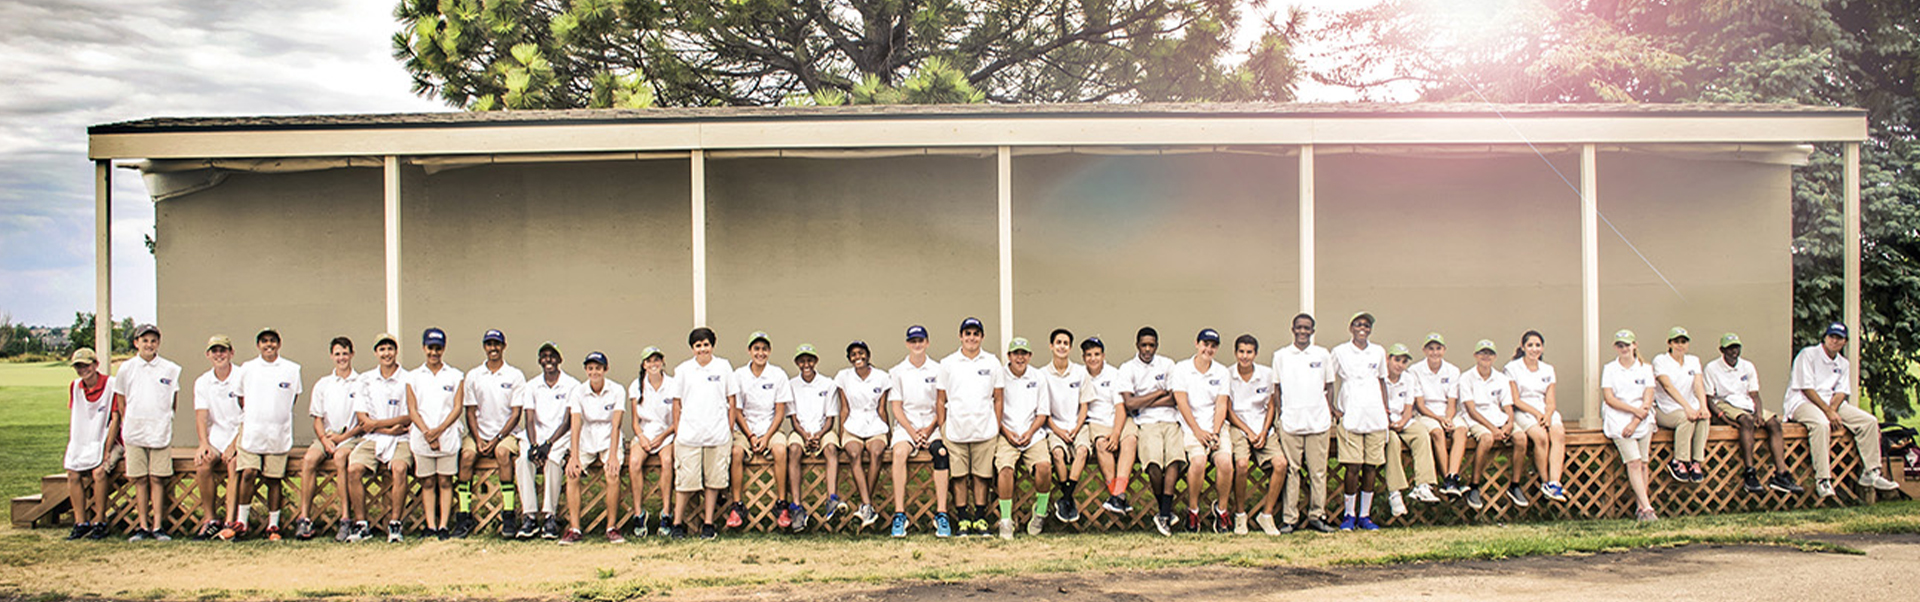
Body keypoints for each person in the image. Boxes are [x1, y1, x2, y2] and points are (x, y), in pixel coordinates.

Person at [1784, 322, 1901, 497]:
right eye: (1831, 337)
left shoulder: (1843, 363)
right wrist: (1828, 412)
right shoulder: (1808, 355)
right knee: (1822, 424)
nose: (1834, 341)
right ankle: (1823, 479)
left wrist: (1832, 409)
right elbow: (1807, 389)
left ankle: (1871, 472)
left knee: (1869, 422)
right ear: (1825, 337)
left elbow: (1841, 392)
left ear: (1845, 342)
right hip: (1802, 402)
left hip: (1831, 404)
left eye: (1839, 338)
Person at [221, 328, 303, 541]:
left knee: (273, 479)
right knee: (248, 473)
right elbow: (241, 398)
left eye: (273, 341)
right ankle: (241, 522)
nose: (269, 345)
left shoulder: (292, 369)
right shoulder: (247, 368)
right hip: (252, 433)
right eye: (264, 341)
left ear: (279, 344)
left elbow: (292, 398)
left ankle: (273, 526)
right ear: (258, 345)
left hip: (278, 433)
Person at [1703, 333, 1802, 494]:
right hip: (1725, 402)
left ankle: (1781, 473)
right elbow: (1709, 398)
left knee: (1774, 423)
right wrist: (1723, 418)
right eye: (1729, 348)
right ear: (1722, 350)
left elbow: (1754, 394)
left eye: (1736, 347)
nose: (1734, 351)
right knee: (1747, 421)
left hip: (1746, 402)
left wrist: (1759, 413)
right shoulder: (1712, 368)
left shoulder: (1747, 366)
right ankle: (1750, 472)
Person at [458, 329, 527, 538]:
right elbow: (470, 410)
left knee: (503, 454)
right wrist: (478, 439)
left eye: (497, 344)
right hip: (479, 432)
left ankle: (508, 515)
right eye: (489, 344)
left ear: (504, 346)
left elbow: (516, 413)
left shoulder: (515, 375)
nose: (493, 348)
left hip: (506, 434)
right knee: (467, 456)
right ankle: (464, 515)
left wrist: (497, 439)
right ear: (484, 347)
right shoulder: (474, 375)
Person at [344, 333, 413, 543]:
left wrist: (380, 425)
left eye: (390, 349)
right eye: (382, 349)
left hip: (401, 438)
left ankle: (395, 524)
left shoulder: (408, 378)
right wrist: (386, 429)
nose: (386, 353)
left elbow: (410, 415)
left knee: (400, 469)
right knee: (353, 469)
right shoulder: (365, 379)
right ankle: (362, 524)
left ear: (396, 351)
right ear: (376, 353)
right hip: (373, 438)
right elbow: (363, 418)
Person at [1272, 314, 1337, 533]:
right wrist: (1283, 413)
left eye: (1307, 328)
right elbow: (1277, 388)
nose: (1302, 331)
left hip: (1318, 422)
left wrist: (1327, 410)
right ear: (1292, 329)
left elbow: (1329, 385)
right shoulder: (1281, 356)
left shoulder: (1322, 354)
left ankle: (1317, 515)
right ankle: (1290, 518)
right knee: (1292, 471)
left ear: (1312, 330)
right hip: (1291, 421)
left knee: (1318, 472)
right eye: (1299, 327)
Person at [116, 324, 182, 541]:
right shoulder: (126, 368)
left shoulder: (170, 368)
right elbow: (121, 400)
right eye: (145, 340)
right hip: (134, 432)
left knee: (157, 478)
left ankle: (157, 526)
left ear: (158, 343)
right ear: (136, 343)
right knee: (140, 480)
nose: (149, 344)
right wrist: (130, 420)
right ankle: (142, 526)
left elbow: (173, 401)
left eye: (153, 340)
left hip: (159, 432)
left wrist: (164, 419)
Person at [672, 327, 738, 540]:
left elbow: (732, 399)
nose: (703, 349)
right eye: (698, 345)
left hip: (717, 433)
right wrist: (677, 429)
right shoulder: (683, 370)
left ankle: (708, 523)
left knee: (713, 481)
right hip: (689, 434)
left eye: (706, 345)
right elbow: (676, 402)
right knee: (685, 481)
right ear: (692, 348)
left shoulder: (723, 366)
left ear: (712, 346)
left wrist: (728, 427)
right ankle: (677, 523)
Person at [887, 325, 952, 537]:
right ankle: (899, 514)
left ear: (927, 343)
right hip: (907, 428)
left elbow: (941, 403)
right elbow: (896, 407)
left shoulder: (938, 369)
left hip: (931, 425)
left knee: (941, 453)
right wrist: (913, 432)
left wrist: (929, 428)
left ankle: (941, 514)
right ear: (907, 343)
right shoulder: (897, 371)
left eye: (920, 340)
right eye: (913, 341)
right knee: (898, 453)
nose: (917, 344)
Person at [941, 317, 1003, 538]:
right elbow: (940, 399)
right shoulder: (948, 363)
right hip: (956, 428)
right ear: (960, 336)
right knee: (958, 476)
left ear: (982, 337)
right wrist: (943, 425)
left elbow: (998, 397)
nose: (971, 338)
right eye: (967, 334)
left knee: (981, 475)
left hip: (984, 428)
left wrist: (995, 425)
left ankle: (980, 517)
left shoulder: (992, 362)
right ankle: (962, 519)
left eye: (976, 334)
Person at [294, 336, 361, 540]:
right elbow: (317, 419)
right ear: (332, 356)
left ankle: (345, 518)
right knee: (309, 460)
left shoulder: (361, 382)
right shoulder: (323, 384)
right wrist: (324, 440)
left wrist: (342, 438)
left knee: (340, 459)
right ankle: (305, 518)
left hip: (351, 438)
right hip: (327, 437)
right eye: (337, 354)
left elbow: (363, 422)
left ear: (352, 354)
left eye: (345, 353)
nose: (341, 358)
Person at [1119, 326, 1182, 536]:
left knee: (1174, 460)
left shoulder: (1167, 364)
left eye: (1151, 345)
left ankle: (1163, 513)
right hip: (1145, 423)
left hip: (1171, 420)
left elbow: (1174, 398)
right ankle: (1165, 510)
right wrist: (1158, 393)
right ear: (1137, 345)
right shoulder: (1128, 368)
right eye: (1144, 345)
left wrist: (1143, 400)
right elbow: (1129, 402)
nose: (1147, 349)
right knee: (1153, 464)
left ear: (1157, 345)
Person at [727, 331, 793, 529]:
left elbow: (780, 411)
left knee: (781, 450)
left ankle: (781, 504)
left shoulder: (778, 374)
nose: (760, 353)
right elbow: (737, 410)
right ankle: (737, 505)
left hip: (771, 428)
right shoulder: (739, 375)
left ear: (769, 351)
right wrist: (751, 435)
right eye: (756, 349)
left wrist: (766, 437)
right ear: (749, 351)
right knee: (736, 452)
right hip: (745, 429)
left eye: (764, 349)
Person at [1330, 313, 1390, 531]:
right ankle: (1349, 514)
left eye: (1366, 325)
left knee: (1371, 465)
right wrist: (1332, 408)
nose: (1362, 328)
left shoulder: (1378, 351)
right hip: (1351, 413)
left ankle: (1365, 515)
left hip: (1374, 415)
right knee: (1353, 465)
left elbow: (1382, 380)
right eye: (1358, 324)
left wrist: (1385, 408)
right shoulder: (1340, 351)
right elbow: (1329, 379)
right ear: (1351, 328)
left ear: (1370, 330)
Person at [1171, 329, 1233, 534]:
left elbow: (1221, 404)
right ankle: (1193, 509)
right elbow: (1181, 401)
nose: (1209, 349)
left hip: (1216, 426)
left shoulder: (1222, 372)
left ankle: (1222, 510)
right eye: (1205, 344)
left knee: (1225, 462)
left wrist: (1215, 433)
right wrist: (1197, 431)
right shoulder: (1182, 368)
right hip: (1191, 427)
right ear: (1196, 344)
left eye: (1213, 346)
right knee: (1198, 463)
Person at [406, 328, 464, 540]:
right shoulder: (412, 377)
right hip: (422, 437)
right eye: (430, 348)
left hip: (447, 436)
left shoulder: (455, 376)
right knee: (428, 482)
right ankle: (430, 524)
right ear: (424, 348)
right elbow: (412, 409)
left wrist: (438, 431)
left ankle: (443, 525)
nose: (434, 352)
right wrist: (426, 433)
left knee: (446, 482)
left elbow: (457, 407)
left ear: (444, 349)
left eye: (438, 348)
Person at [515, 341, 578, 539]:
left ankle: (550, 516)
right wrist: (534, 446)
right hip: (536, 435)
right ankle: (530, 516)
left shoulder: (571, 385)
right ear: (539, 360)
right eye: (544, 356)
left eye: (552, 356)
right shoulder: (532, 385)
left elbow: (568, 421)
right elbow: (530, 418)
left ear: (560, 359)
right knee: (523, 461)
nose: (548, 360)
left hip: (559, 437)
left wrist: (548, 445)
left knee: (552, 461)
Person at [1225, 334, 1286, 535]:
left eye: (1249, 352)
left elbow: (1270, 406)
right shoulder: (1228, 375)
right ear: (1235, 353)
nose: (1245, 356)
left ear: (1256, 354)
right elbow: (1229, 410)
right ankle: (1240, 515)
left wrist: (1263, 431)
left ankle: (1266, 515)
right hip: (1239, 427)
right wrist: (1249, 432)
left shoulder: (1266, 374)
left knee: (1281, 464)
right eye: (1241, 352)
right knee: (1241, 465)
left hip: (1263, 427)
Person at [562, 351, 625, 544]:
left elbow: (616, 424)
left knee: (612, 474)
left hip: (608, 438)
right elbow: (576, 424)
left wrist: (613, 455)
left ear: (605, 369)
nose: (594, 372)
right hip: (586, 438)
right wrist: (574, 456)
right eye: (590, 368)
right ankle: (575, 528)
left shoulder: (617, 390)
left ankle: (612, 527)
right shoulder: (578, 391)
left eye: (598, 368)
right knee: (572, 473)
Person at [993, 337, 1053, 539]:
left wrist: (1029, 432)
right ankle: (1006, 520)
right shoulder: (999, 376)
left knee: (1044, 467)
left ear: (1030, 356)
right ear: (1008, 356)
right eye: (1016, 353)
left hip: (1033, 433)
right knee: (1006, 469)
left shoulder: (1038, 377)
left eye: (1024, 354)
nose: (1020, 358)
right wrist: (1007, 433)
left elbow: (1043, 412)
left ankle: (1041, 511)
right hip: (1006, 432)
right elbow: (993, 409)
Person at [831, 340, 890, 529]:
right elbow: (844, 408)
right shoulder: (843, 377)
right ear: (849, 358)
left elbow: (882, 408)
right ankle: (867, 505)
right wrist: (842, 434)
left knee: (877, 453)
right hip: (853, 425)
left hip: (875, 424)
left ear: (868, 355)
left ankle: (865, 504)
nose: (858, 357)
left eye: (861, 353)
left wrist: (887, 432)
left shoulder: (882, 377)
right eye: (854, 354)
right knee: (854, 454)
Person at [1503, 330, 1569, 502]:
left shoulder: (1548, 369)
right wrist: (1537, 414)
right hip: (1523, 409)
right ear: (1523, 347)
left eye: (1538, 345)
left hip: (1543, 408)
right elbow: (1515, 399)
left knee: (1558, 433)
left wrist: (1547, 414)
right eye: (1530, 345)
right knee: (1540, 437)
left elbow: (1551, 399)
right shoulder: (1512, 368)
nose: (1534, 349)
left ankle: (1555, 482)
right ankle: (1545, 481)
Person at [62, 348, 120, 541]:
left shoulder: (111, 385)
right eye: (79, 366)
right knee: (72, 472)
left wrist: (106, 450)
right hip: (84, 440)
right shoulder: (75, 387)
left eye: (86, 365)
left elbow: (115, 418)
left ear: (95, 365)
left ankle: (100, 520)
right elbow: (80, 417)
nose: (83, 369)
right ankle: (80, 522)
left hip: (111, 440)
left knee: (99, 472)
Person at [1601, 330, 1659, 521]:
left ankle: (1640, 506)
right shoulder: (1610, 369)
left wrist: (1636, 420)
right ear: (1615, 347)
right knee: (1633, 462)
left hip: (1642, 419)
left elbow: (1648, 397)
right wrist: (1633, 413)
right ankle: (1648, 508)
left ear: (1635, 345)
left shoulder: (1645, 368)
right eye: (1620, 345)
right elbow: (1609, 398)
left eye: (1627, 344)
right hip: (1619, 418)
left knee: (1643, 463)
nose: (1624, 348)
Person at [190, 335, 243, 540]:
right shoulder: (203, 382)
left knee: (233, 463)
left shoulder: (241, 376)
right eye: (214, 351)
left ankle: (230, 522)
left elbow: (248, 414)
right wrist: (203, 443)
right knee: (202, 463)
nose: (219, 355)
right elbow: (201, 416)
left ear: (231, 353)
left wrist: (234, 444)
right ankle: (210, 519)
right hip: (216, 436)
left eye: (223, 350)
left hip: (240, 436)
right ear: (208, 355)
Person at [1459, 339, 1521, 510]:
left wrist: (1509, 423)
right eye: (1482, 353)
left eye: (1489, 353)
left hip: (1498, 417)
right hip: (1476, 419)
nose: (1486, 356)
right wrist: (1493, 429)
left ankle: (1515, 485)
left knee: (1521, 437)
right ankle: (1475, 485)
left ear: (1494, 357)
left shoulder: (1501, 378)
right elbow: (1471, 410)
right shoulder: (1466, 378)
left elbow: (1508, 405)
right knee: (1486, 439)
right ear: (1475, 356)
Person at [1406, 333, 1469, 500]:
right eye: (1431, 348)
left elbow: (1452, 402)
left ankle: (1451, 477)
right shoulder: (1415, 370)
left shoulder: (1452, 370)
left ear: (1444, 350)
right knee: (1437, 432)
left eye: (1438, 348)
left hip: (1447, 412)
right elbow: (1420, 404)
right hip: (1426, 413)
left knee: (1461, 429)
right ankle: (1448, 480)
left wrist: (1448, 418)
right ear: (1424, 350)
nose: (1435, 352)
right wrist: (1440, 420)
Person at [1081, 337, 1137, 516]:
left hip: (1117, 419)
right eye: (1089, 355)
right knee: (1102, 445)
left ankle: (1116, 495)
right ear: (1083, 357)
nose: (1093, 358)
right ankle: (1118, 495)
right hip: (1096, 421)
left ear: (1103, 356)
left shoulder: (1114, 374)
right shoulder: (1080, 375)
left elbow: (1120, 406)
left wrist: (1116, 433)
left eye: (1097, 354)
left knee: (1129, 440)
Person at [1039, 329, 1091, 523]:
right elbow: (1044, 411)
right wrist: (1058, 431)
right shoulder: (1042, 374)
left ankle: (1066, 498)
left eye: (1066, 343)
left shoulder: (1080, 372)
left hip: (1077, 425)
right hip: (1054, 426)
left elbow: (1084, 405)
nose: (1062, 346)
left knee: (1083, 451)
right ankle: (1068, 500)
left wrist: (1077, 428)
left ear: (1070, 348)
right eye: (1058, 342)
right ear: (1051, 346)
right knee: (1058, 454)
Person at [1381, 343, 1439, 517]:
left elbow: (1409, 406)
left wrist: (1403, 421)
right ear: (1388, 360)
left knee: (1421, 433)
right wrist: (1389, 423)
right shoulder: (1380, 378)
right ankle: (1395, 492)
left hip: (1403, 420)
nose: (1399, 364)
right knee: (1392, 441)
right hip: (1383, 423)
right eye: (1396, 360)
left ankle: (1424, 485)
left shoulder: (1408, 378)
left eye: (1404, 361)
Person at [785, 343, 839, 532]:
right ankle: (797, 506)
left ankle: (832, 499)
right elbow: (793, 419)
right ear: (797, 363)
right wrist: (806, 436)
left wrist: (818, 435)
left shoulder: (828, 384)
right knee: (793, 450)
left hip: (823, 429)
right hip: (801, 430)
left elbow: (831, 418)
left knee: (831, 448)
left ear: (815, 361)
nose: (806, 364)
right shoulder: (790, 385)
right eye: (802, 361)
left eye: (809, 360)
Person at [624, 346, 676, 538]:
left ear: (662, 362)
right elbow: (635, 421)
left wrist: (661, 438)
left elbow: (676, 420)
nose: (653, 364)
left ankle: (666, 512)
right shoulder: (636, 386)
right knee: (635, 462)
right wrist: (643, 438)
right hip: (645, 434)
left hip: (666, 434)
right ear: (644, 364)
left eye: (656, 360)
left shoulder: (673, 384)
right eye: (649, 361)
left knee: (668, 462)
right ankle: (638, 512)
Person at [1652, 327, 1711, 484]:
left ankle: (1696, 461)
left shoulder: (1693, 361)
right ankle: (1679, 460)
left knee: (1703, 419)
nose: (1680, 345)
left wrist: (1703, 407)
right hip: (1666, 408)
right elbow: (1667, 386)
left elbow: (1698, 385)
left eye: (1683, 342)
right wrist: (1687, 407)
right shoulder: (1661, 360)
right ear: (1669, 343)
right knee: (1686, 418)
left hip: (1690, 406)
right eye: (1676, 342)